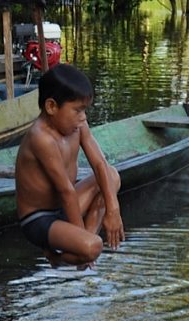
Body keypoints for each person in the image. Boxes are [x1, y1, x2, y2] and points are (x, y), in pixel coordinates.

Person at [14, 63, 124, 269]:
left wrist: (113, 210)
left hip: (65, 207)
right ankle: (66, 254)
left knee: (112, 175)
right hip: (39, 219)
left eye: (84, 110)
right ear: (52, 107)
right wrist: (81, 240)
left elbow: (100, 164)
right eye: (77, 110)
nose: (83, 117)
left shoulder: (79, 125)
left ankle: (79, 247)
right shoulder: (41, 138)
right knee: (92, 247)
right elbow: (65, 191)